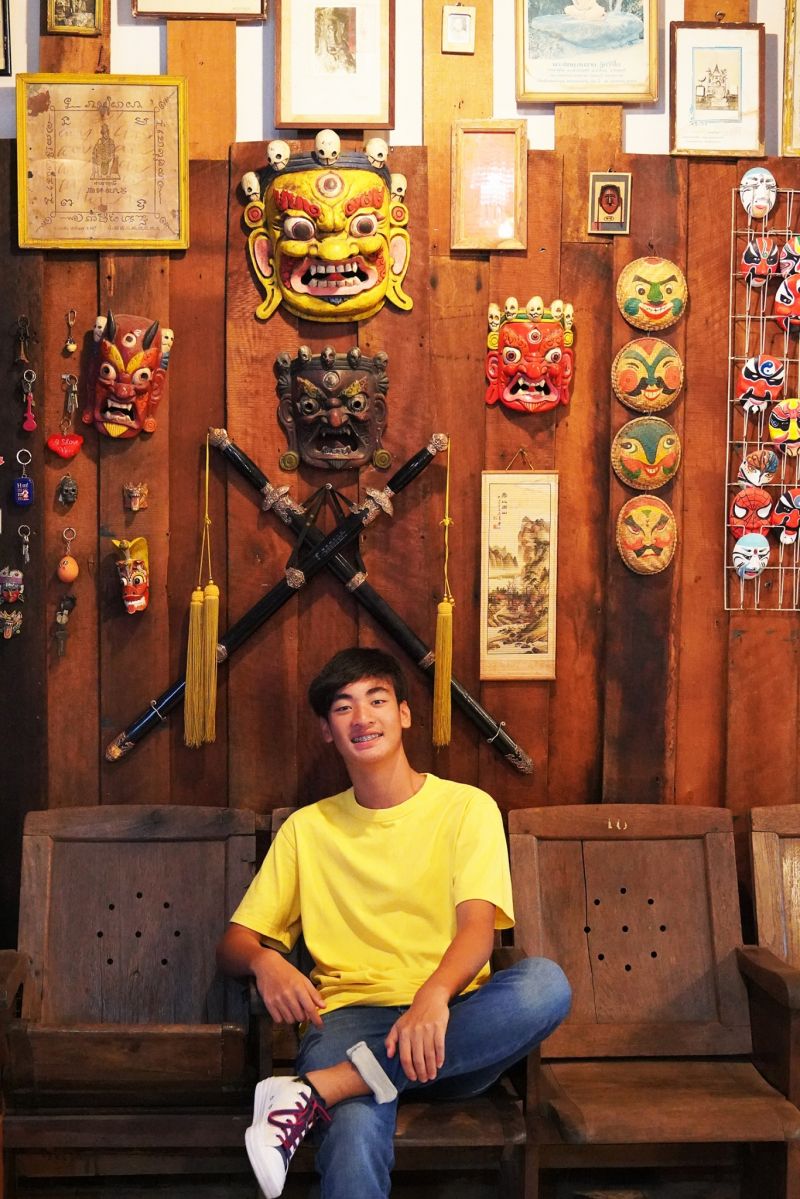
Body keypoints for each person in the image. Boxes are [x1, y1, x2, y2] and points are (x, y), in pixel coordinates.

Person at [216, 647, 571, 1199]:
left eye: (377, 700)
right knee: (354, 1134)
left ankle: (321, 1089)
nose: (362, 717)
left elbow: (478, 929)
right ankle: (340, 1085)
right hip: (347, 1022)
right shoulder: (307, 829)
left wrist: (433, 996)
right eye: (343, 707)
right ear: (327, 731)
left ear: (404, 714)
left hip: (452, 1029)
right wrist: (265, 961)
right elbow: (233, 944)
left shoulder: (467, 808)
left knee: (545, 984)